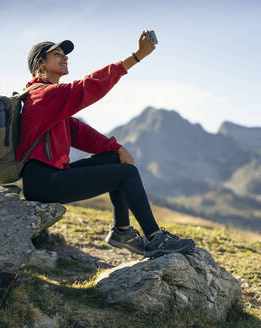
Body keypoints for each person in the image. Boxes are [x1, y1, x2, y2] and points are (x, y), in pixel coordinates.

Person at [17, 30, 195, 258]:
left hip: (52, 176)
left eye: (65, 54)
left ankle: (122, 232)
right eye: (57, 54)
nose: (65, 57)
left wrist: (116, 148)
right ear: (40, 63)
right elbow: (87, 87)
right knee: (125, 174)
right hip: (45, 182)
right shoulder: (43, 95)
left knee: (115, 161)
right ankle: (155, 238)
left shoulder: (50, 100)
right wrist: (136, 56)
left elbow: (81, 134)